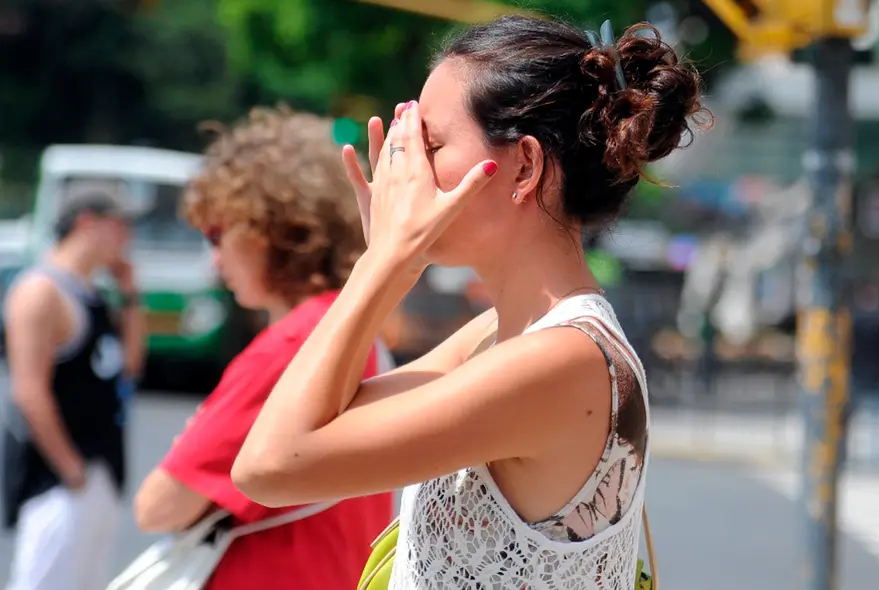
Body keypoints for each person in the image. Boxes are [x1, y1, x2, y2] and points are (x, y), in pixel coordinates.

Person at [233, 17, 704, 588]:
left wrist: (382, 263)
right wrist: (389, 262)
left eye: (429, 146)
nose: (403, 171)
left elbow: (270, 465)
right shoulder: (499, 336)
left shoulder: (564, 361)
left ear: (525, 167)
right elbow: (321, 421)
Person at [132, 107, 394, 590]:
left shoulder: (294, 344)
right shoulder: (352, 324)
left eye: (217, 234)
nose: (213, 259)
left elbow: (158, 506)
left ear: (266, 229)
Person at [2, 190, 146, 590]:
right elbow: (29, 392)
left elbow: (129, 365)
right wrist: (72, 471)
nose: (127, 236)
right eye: (120, 225)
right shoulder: (41, 291)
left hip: (101, 467)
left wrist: (131, 293)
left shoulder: (92, 291)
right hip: (57, 479)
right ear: (87, 222)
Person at [843, 282, 879, 473]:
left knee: (848, 422)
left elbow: (844, 349)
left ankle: (846, 458)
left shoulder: (853, 321)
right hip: (877, 375)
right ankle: (876, 463)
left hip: (855, 374)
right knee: (876, 424)